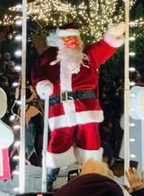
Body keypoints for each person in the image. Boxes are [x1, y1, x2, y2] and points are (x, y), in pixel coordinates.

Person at [31, 23, 127, 169]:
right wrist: (42, 84)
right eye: (68, 38)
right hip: (60, 108)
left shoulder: (87, 54)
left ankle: (91, 169)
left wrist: (112, 36)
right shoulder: (50, 56)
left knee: (90, 138)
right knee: (60, 138)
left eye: (74, 38)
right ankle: (54, 171)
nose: (72, 42)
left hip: (86, 107)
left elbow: (104, 48)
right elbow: (37, 72)